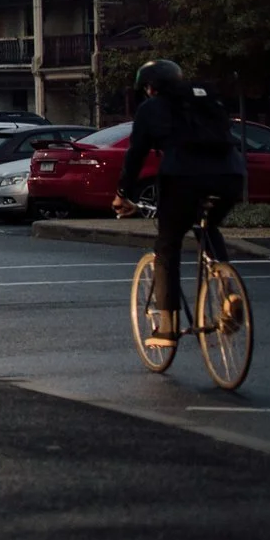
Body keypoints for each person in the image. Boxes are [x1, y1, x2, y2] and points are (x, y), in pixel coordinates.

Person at [111, 59, 247, 349]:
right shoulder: (205, 100)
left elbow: (136, 155)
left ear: (151, 88)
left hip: (184, 177)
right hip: (231, 176)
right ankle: (227, 290)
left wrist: (123, 193)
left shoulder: (151, 108)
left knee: (167, 244)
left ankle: (167, 327)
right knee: (208, 227)